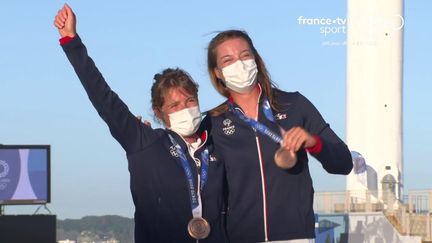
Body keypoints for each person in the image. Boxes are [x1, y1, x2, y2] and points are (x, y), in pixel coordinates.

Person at [54, 4, 227, 242]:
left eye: (189, 101)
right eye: (174, 106)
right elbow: (102, 96)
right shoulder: (143, 141)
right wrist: (71, 42)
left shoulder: (218, 143)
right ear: (159, 113)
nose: (185, 109)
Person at [206, 29, 353, 242]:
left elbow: (343, 163)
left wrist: (313, 142)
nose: (239, 64)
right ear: (217, 72)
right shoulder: (213, 122)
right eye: (228, 60)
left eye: (245, 55)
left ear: (255, 59)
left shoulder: (294, 104)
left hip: (295, 235)